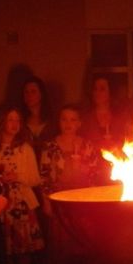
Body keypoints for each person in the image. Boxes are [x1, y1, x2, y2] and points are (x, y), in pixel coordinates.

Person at [0, 107, 44, 264]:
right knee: (5, 254)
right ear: (2, 122)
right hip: (1, 205)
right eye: (10, 119)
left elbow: (35, 179)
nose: (14, 124)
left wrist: (17, 177)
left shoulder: (25, 149)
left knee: (23, 254)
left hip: (21, 205)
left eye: (17, 120)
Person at [40, 105, 96, 254]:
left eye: (72, 120)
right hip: (59, 201)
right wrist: (46, 202)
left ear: (79, 123)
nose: (68, 124)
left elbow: (93, 175)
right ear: (59, 122)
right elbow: (44, 176)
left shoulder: (87, 145)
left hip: (82, 201)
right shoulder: (50, 146)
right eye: (64, 119)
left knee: (82, 242)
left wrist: (81, 167)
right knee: (62, 244)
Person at [81, 76, 129, 185]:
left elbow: (129, 142)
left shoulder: (121, 117)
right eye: (95, 89)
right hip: (92, 171)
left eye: (102, 89)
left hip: (118, 169)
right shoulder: (85, 119)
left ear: (110, 92)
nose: (98, 93)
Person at [21, 76, 55, 155]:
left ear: (41, 94)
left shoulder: (52, 119)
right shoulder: (19, 119)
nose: (29, 96)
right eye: (26, 92)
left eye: (33, 92)